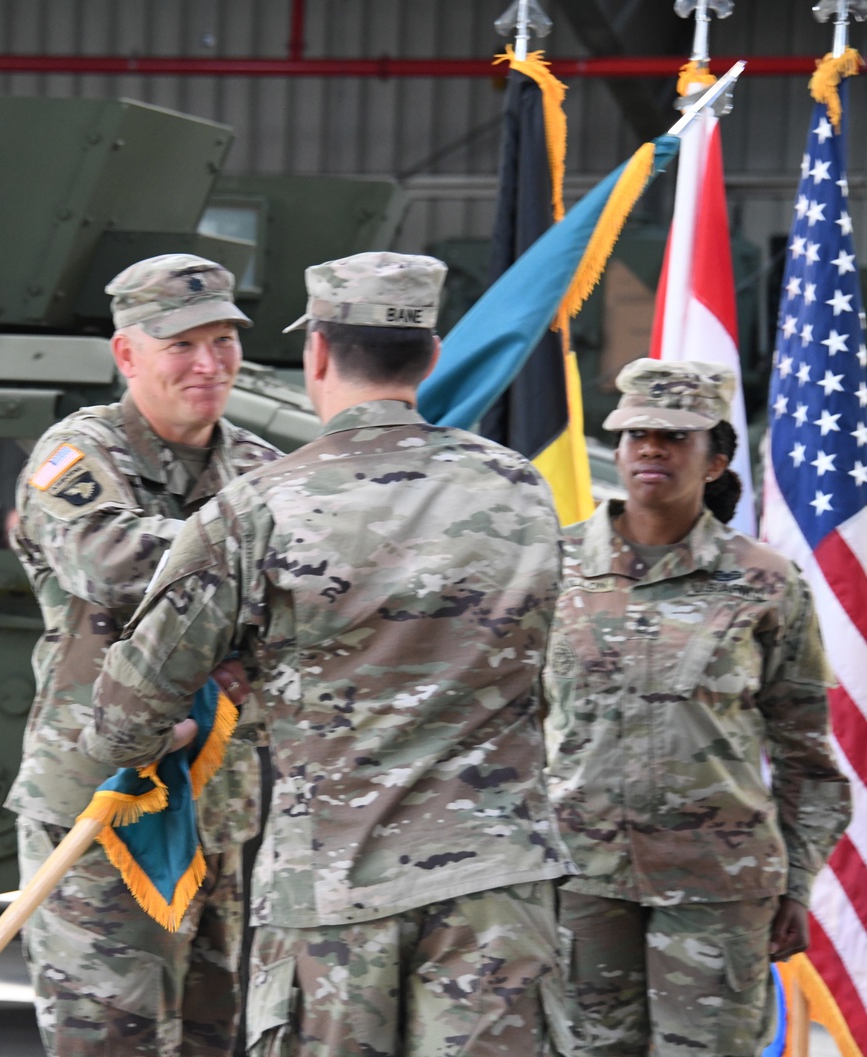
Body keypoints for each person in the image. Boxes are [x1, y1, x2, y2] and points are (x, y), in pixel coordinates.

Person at [81, 250, 576, 1057]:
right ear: (433, 355)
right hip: (496, 881)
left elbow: (126, 712)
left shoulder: (260, 504)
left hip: (334, 891)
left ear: (315, 352)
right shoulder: (519, 488)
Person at [7, 253, 281, 1057]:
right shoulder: (78, 457)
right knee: (110, 1043)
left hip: (218, 810)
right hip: (102, 807)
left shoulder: (260, 468)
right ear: (127, 354)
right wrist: (254, 554)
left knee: (215, 1039)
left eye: (223, 341)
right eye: (181, 344)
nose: (209, 364)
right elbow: (112, 562)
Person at [542, 358, 851, 1057]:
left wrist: (796, 883)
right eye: (637, 433)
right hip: (582, 880)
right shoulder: (552, 568)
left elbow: (806, 753)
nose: (653, 447)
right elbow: (508, 730)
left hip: (720, 887)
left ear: (714, 461)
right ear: (617, 450)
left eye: (676, 436)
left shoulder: (766, 582)